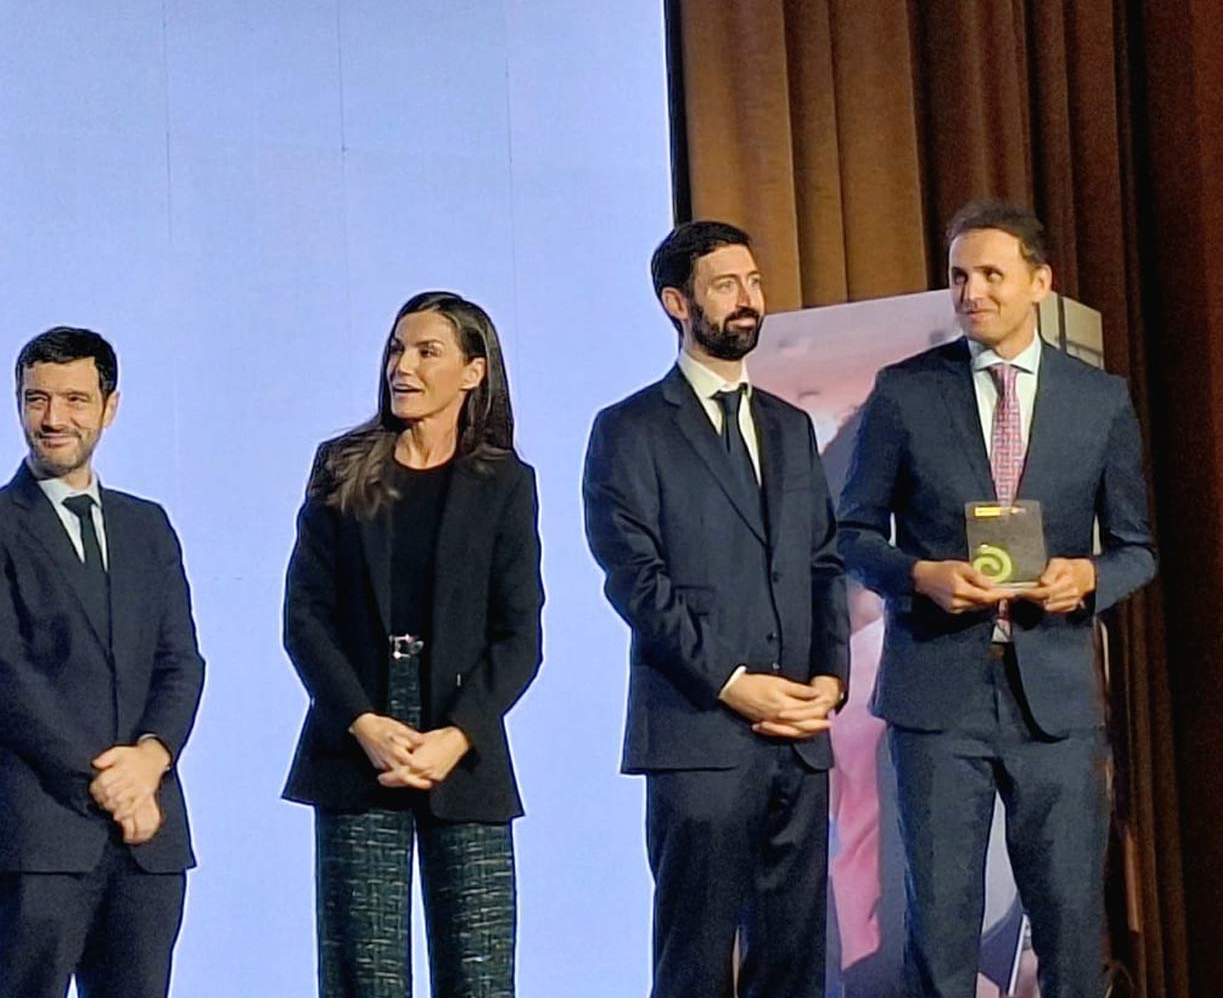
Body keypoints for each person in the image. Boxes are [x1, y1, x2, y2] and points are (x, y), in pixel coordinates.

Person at [836, 200, 1156, 998]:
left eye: (990, 274)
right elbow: (852, 534)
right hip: (938, 697)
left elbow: (1138, 549)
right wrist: (921, 575)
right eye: (958, 277)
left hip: (1055, 704)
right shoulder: (906, 393)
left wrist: (1087, 578)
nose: (970, 292)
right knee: (941, 926)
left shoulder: (1098, 400)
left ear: (1040, 282)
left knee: (1070, 926)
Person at [582, 219, 850, 998]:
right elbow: (636, 581)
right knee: (695, 962)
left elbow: (822, 563)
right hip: (698, 735)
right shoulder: (630, 429)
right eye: (726, 285)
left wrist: (829, 679)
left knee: (793, 964)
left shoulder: (790, 427)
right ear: (678, 303)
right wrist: (733, 682)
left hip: (799, 737)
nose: (748, 299)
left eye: (754, 282)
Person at [281, 291, 544, 998]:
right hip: (358, 736)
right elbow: (304, 617)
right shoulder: (342, 465)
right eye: (398, 349)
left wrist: (457, 736)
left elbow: (520, 635)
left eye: (428, 351)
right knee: (365, 976)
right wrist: (362, 722)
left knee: (480, 975)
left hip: (462, 738)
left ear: (473, 372)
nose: (403, 366)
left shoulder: (504, 481)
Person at [0, 326, 205, 998]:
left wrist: (149, 762)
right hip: (39, 835)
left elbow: (181, 662)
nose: (53, 418)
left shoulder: (148, 525)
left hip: (148, 840)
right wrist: (110, 784)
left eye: (74, 400)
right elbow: (2, 680)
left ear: (109, 407)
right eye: (37, 399)